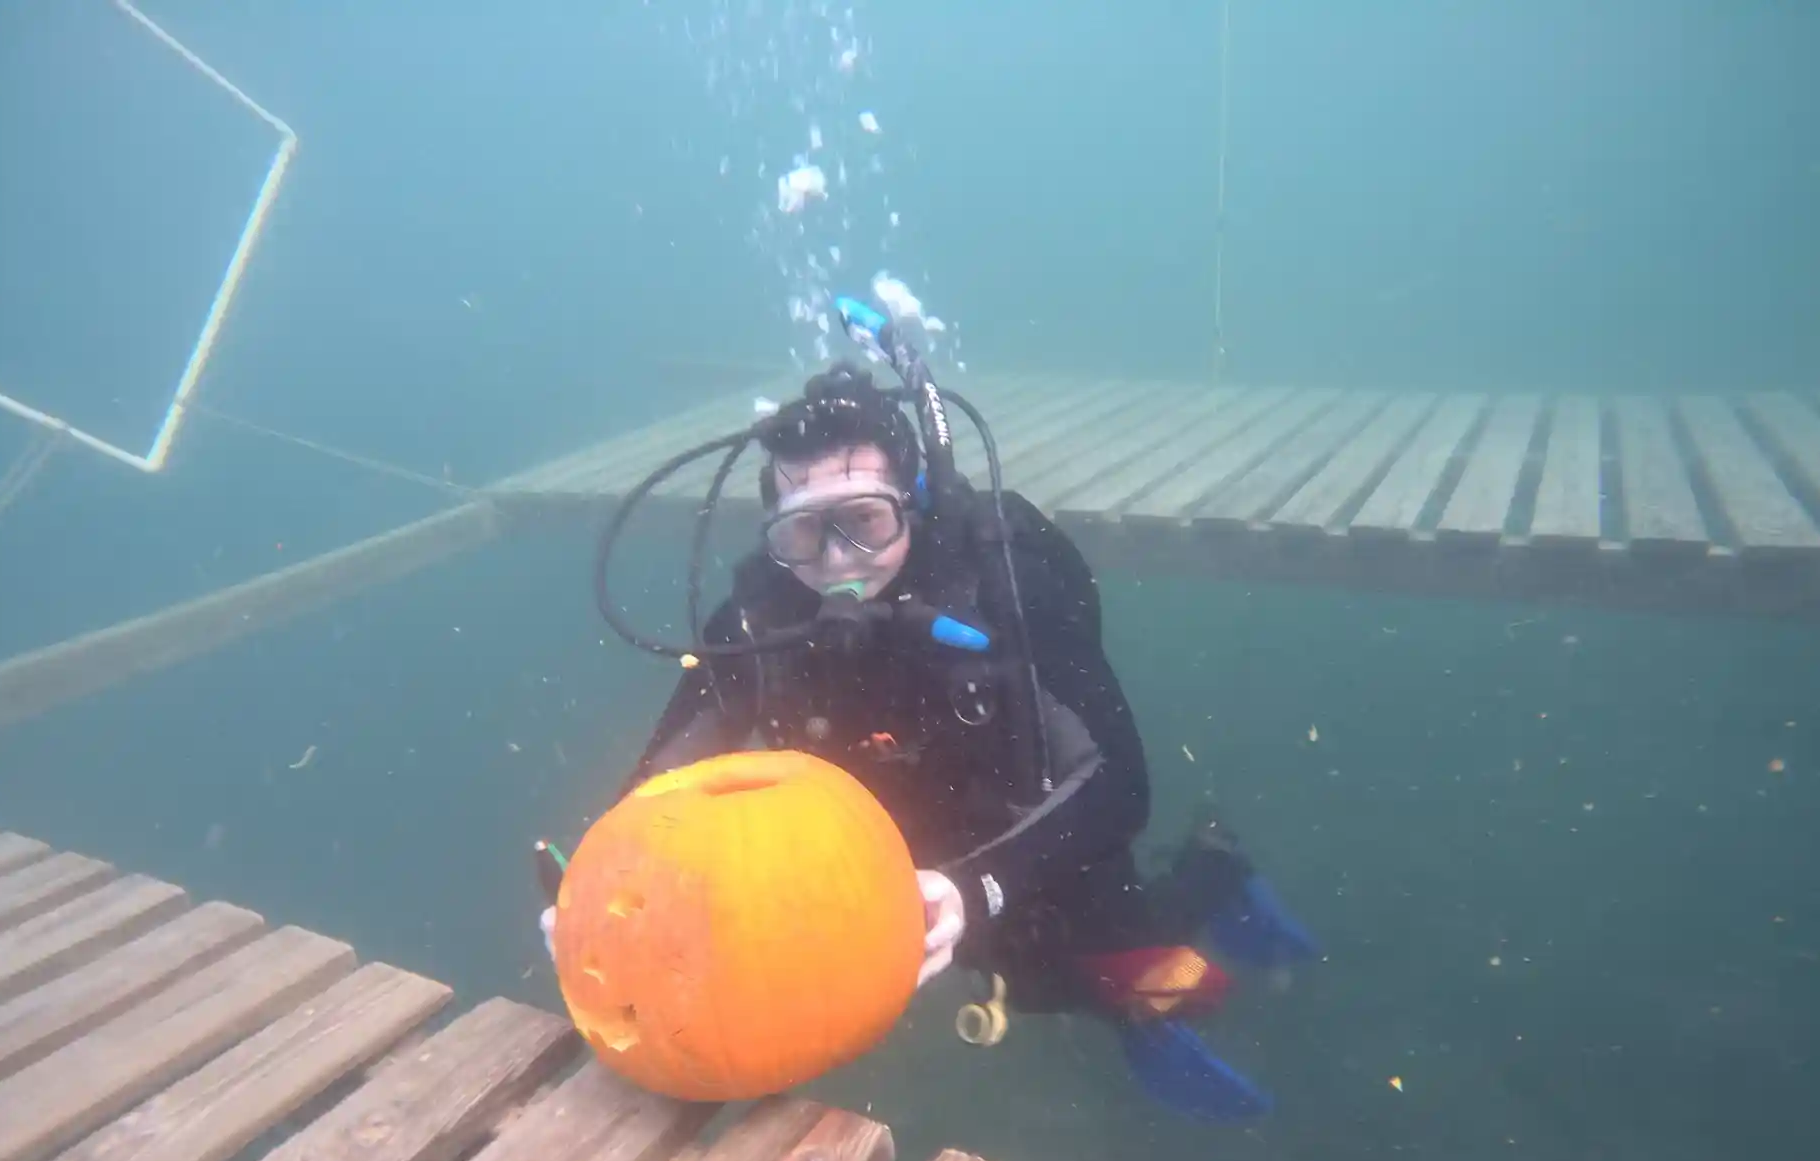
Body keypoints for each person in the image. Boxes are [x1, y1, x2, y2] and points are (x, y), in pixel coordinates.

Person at [556, 345, 1319, 1120]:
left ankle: (1212, 870)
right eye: (805, 532)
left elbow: (1121, 786)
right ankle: (1090, 980)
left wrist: (977, 888)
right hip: (892, 860)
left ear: (912, 503)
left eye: (864, 522)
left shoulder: (1006, 592)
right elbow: (664, 778)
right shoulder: (758, 622)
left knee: (1131, 974)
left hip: (1042, 843)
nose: (838, 561)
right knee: (1018, 974)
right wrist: (595, 893)